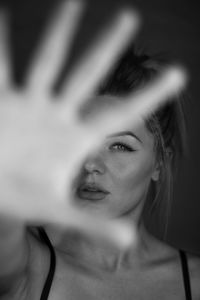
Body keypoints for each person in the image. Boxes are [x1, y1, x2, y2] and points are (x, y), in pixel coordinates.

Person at [1, 1, 198, 300]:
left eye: (120, 145)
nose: (90, 163)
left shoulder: (196, 282)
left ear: (159, 163)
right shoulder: (28, 267)